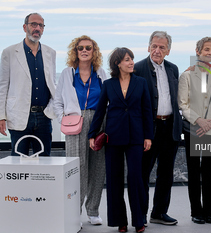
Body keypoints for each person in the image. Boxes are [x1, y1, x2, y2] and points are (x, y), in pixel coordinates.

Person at [88, 47, 153, 233]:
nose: (131, 62)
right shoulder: (108, 85)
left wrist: (148, 136)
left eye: (131, 59)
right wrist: (92, 134)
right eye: (126, 59)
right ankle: (120, 221)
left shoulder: (140, 83)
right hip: (113, 136)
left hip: (136, 137)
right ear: (117, 63)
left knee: (135, 178)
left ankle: (139, 220)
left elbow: (147, 111)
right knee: (114, 180)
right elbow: (100, 111)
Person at [53, 35, 106, 225]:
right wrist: (64, 118)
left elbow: (109, 98)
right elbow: (57, 102)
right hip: (75, 122)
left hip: (98, 121)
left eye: (88, 48)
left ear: (94, 51)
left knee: (97, 168)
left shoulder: (100, 73)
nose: (84, 50)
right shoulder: (67, 73)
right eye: (80, 47)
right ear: (75, 51)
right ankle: (74, 211)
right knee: (77, 168)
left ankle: (93, 211)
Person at [178, 37, 211, 224]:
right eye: (206, 49)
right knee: (193, 171)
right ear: (198, 51)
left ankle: (208, 211)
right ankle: (195, 211)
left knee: (209, 172)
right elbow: (182, 104)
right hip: (193, 130)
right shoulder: (187, 76)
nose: (209, 52)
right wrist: (198, 120)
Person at [134, 31, 182, 226]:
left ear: (168, 50)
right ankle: (141, 215)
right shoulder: (137, 69)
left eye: (162, 47)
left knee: (166, 173)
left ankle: (159, 213)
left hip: (169, 127)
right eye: (154, 46)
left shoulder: (173, 69)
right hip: (148, 131)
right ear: (148, 47)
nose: (157, 50)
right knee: (143, 174)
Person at [0, 13, 56, 156]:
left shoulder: (50, 53)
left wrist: (52, 109)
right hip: (19, 115)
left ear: (43, 29)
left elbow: (52, 84)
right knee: (17, 161)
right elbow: (3, 86)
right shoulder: (9, 52)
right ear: (25, 27)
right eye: (33, 24)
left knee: (45, 163)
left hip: (44, 116)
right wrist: (2, 116)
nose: (37, 28)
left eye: (40, 25)